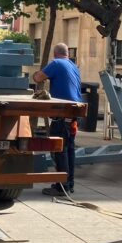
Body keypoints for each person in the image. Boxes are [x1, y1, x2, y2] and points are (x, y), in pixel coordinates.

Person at [33, 43, 82, 196]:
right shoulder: (74, 66)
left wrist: (36, 74)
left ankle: (62, 187)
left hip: (62, 113)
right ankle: (69, 183)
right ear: (68, 54)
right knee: (69, 149)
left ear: (55, 54)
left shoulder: (56, 63)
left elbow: (38, 78)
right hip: (74, 112)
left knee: (59, 149)